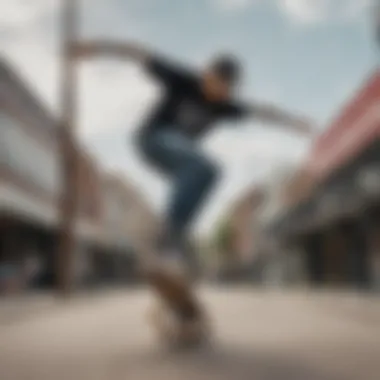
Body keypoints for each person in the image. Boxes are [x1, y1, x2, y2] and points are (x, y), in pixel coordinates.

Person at [70, 40, 315, 270]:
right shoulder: (183, 79)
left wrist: (293, 123)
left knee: (211, 171)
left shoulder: (224, 106)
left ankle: (175, 239)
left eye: (225, 91)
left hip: (177, 158)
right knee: (197, 161)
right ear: (207, 74)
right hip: (150, 139)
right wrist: (94, 48)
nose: (218, 93)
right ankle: (166, 238)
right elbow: (138, 53)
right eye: (216, 84)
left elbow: (261, 112)